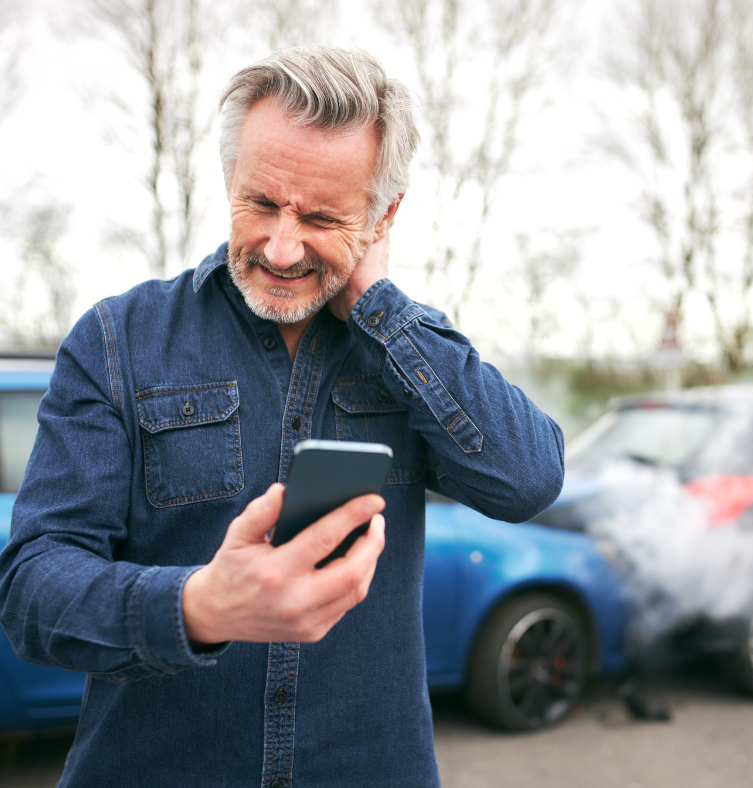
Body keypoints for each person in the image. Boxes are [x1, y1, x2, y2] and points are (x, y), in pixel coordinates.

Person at [0, 47, 564, 787]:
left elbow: (528, 479)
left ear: (383, 216)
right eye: (261, 203)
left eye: (325, 216)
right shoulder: (118, 340)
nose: (283, 245)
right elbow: (33, 591)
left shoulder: (412, 353)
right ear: (229, 180)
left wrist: (380, 308)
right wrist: (200, 605)